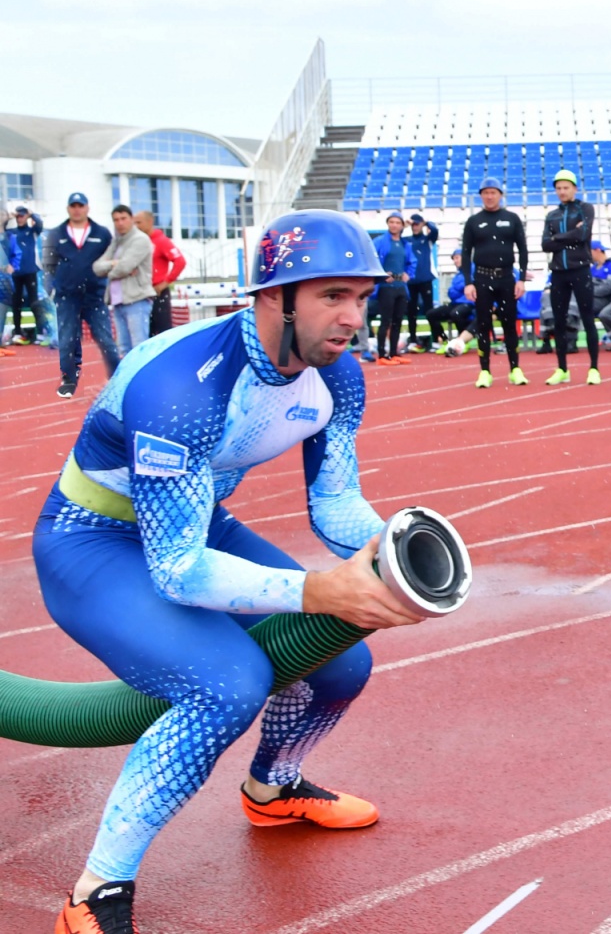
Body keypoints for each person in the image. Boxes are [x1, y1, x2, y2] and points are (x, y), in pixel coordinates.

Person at [38, 209, 423, 934]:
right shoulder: (183, 383)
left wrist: (392, 552)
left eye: (362, 298)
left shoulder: (338, 377)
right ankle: (94, 891)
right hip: (91, 541)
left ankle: (272, 788)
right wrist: (320, 587)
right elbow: (178, 569)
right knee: (226, 683)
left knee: (342, 662)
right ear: (274, 296)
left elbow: (335, 501)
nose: (352, 318)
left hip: (193, 520)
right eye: (333, 296)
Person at [45, 192, 120, 398]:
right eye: (73, 206)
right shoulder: (56, 233)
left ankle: (117, 378)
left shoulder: (102, 233)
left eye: (81, 205)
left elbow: (112, 259)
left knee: (105, 338)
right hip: (67, 296)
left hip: (94, 296)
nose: (77, 209)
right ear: (68, 208)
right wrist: (51, 288)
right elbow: (48, 264)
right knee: (68, 339)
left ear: (87, 208)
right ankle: (69, 380)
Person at [460, 176, 530, 388]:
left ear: (500, 195)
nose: (489, 196)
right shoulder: (473, 221)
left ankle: (515, 368)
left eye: (493, 192)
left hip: (507, 278)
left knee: (509, 324)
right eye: (485, 193)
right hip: (481, 278)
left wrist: (522, 279)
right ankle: (485, 371)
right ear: (481, 195)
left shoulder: (512, 218)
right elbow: (465, 253)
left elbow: (523, 249)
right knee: (483, 325)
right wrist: (468, 282)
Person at [541, 169, 602, 386]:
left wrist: (558, 238)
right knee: (558, 321)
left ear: (574, 188)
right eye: (558, 188)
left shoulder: (585, 208)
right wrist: (567, 237)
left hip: (580, 269)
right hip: (558, 273)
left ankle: (594, 368)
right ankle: (562, 368)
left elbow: (583, 234)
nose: (562, 191)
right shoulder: (552, 215)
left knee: (587, 318)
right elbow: (545, 244)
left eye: (566, 187)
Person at [94, 204, 157, 358]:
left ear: (131, 219)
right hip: (117, 302)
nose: (120, 223)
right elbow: (97, 267)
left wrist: (112, 269)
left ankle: (143, 381)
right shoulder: (116, 242)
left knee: (139, 347)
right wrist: (115, 265)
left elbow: (125, 266)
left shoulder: (140, 240)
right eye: (116, 220)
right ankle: (129, 381)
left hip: (136, 300)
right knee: (124, 349)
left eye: (123, 218)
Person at [370, 213, 415, 366]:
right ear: (387, 224)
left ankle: (394, 353)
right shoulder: (380, 242)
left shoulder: (405, 244)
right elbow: (372, 259)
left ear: (402, 226)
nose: (394, 225)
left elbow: (411, 261)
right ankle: (382, 354)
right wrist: (381, 275)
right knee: (385, 321)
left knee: (397, 321)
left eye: (397, 222)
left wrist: (409, 274)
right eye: (391, 222)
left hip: (401, 287)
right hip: (386, 287)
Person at [133, 210, 186, 336]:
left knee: (163, 331)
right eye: (134, 223)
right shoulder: (137, 242)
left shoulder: (161, 241)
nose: (136, 226)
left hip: (158, 293)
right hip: (140, 293)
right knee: (144, 332)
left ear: (150, 222)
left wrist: (165, 283)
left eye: (139, 222)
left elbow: (180, 261)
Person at [9, 204, 51, 344]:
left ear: (26, 217)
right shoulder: (12, 232)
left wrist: (31, 213)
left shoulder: (32, 231)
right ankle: (18, 333)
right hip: (15, 273)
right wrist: (9, 215)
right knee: (16, 304)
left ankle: (40, 332)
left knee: (34, 302)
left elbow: (39, 223)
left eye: (22, 216)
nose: (20, 218)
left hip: (30, 271)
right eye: (18, 216)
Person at [427, 249, 475, 354]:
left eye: (457, 258)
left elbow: (467, 288)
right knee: (431, 314)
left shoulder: (473, 270)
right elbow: (451, 293)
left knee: (456, 314)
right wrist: (459, 289)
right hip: (456, 303)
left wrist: (459, 289)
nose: (455, 261)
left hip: (470, 304)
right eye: (454, 259)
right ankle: (444, 341)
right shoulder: (457, 275)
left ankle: (462, 342)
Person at [403, 213, 439, 351]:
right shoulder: (406, 240)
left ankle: (435, 340)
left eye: (417, 224)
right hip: (411, 281)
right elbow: (395, 236)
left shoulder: (428, 240)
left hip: (425, 280)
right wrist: (404, 225)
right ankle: (412, 340)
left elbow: (435, 230)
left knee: (430, 311)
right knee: (411, 312)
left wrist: (426, 222)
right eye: (413, 224)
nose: (415, 227)